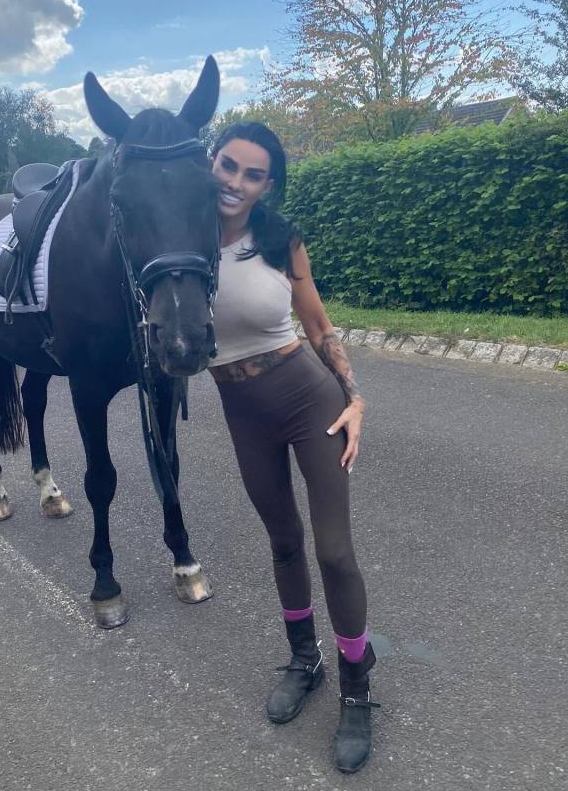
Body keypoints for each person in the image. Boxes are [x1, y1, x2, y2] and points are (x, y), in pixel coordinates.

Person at [208, 122, 379, 774]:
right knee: (282, 539)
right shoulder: (180, 238)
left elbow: (317, 326)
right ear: (211, 161)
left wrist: (354, 396)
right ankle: (303, 660)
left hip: (309, 399)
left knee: (333, 550)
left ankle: (358, 689)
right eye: (228, 165)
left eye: (254, 174)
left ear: (268, 184)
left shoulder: (280, 240)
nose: (236, 182)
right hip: (239, 406)